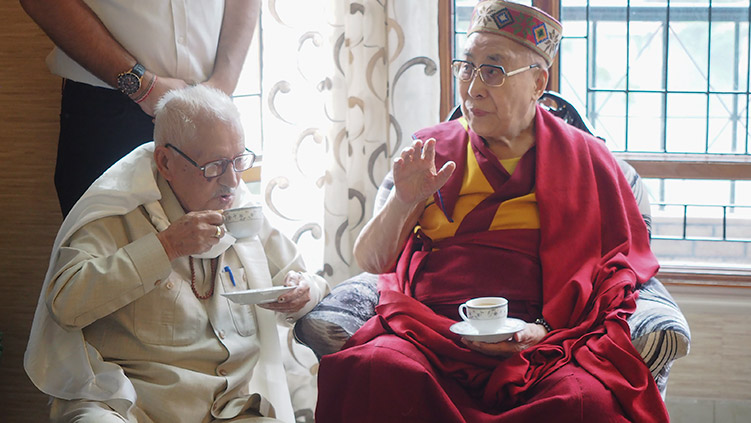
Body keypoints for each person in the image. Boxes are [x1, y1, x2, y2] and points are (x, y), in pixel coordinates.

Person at [315, 1, 669, 422]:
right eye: (467, 67)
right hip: (431, 333)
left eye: (494, 70)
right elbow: (372, 262)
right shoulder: (431, 153)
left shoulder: (588, 160)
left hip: (543, 341)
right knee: (372, 368)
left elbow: (620, 269)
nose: (473, 87)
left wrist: (547, 329)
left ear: (539, 82)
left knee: (585, 401)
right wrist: (404, 199)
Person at [24, 85, 329, 423]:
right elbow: (65, 304)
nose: (231, 180)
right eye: (214, 166)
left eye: (239, 160)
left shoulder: (241, 211)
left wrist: (304, 291)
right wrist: (166, 246)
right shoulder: (118, 208)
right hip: (130, 406)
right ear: (166, 162)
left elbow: (309, 282)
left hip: (228, 411)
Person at [19, 0, 260, 216]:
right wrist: (140, 85)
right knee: (108, 251)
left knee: (214, 252)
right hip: (109, 110)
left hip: (211, 102)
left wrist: (223, 83)